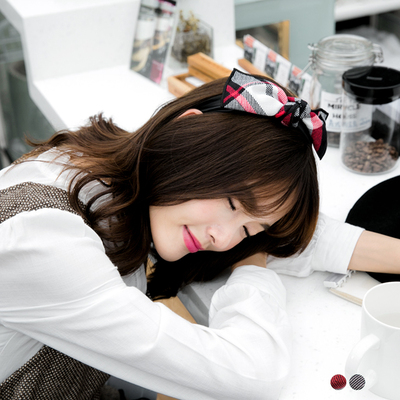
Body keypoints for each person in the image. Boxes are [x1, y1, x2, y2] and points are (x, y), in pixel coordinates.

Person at [0, 69, 399, 400]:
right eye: (232, 203)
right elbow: (251, 374)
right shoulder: (44, 242)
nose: (223, 240)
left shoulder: (108, 174)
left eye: (249, 229)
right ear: (186, 132)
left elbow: (298, 235)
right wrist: (254, 269)